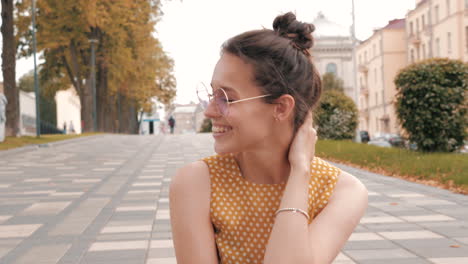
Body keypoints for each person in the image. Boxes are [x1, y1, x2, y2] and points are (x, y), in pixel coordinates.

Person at [169, 12, 368, 264]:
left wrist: (300, 173)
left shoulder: (341, 191)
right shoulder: (197, 183)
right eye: (211, 95)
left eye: (227, 99)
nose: (209, 111)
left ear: (281, 108)